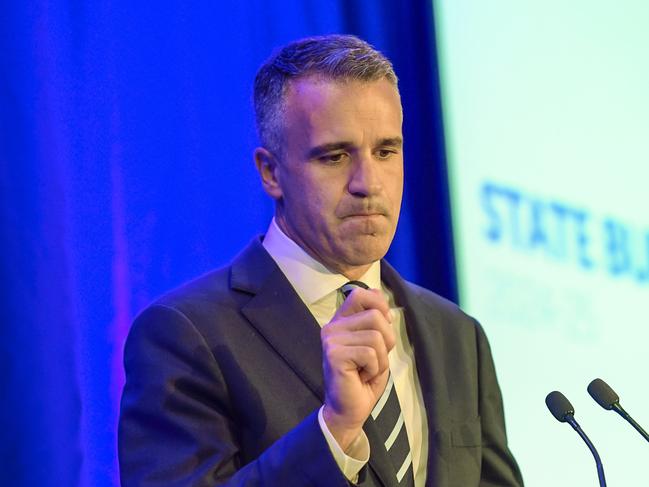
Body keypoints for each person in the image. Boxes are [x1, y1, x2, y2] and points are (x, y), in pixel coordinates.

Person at [119, 34, 523, 487]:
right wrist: (335, 430)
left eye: (386, 151)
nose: (368, 183)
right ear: (271, 172)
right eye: (335, 156)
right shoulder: (186, 334)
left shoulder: (457, 334)